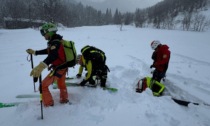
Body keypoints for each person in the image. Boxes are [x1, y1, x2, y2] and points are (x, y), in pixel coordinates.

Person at [26, 23, 69, 107]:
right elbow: (49, 51)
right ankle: (64, 99)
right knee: (61, 85)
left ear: (49, 32)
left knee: (43, 86)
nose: (43, 36)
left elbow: (53, 55)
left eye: (43, 33)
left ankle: (49, 104)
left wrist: (41, 66)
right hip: (63, 67)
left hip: (59, 69)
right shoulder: (56, 41)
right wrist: (36, 52)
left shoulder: (56, 42)